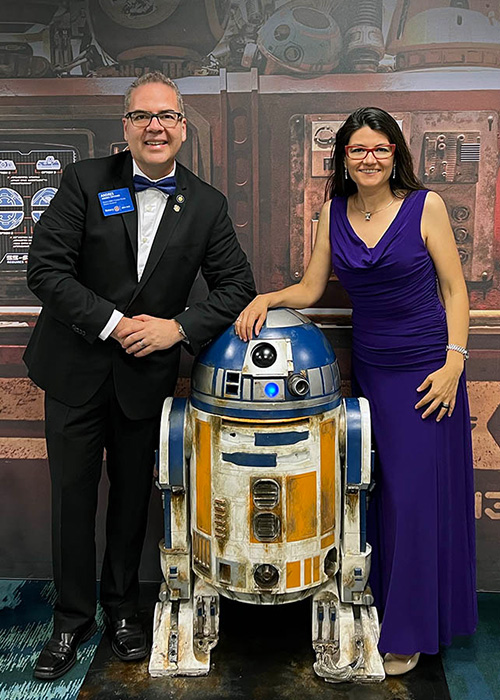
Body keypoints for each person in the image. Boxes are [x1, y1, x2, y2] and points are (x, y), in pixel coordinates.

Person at [25, 71, 256, 680]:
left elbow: (237, 287)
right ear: (125, 126)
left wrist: (175, 329)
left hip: (145, 379)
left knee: (132, 502)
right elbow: (45, 270)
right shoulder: (83, 181)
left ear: (183, 127)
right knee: (72, 501)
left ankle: (124, 609)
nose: (155, 126)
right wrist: (111, 321)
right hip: (74, 367)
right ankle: (70, 621)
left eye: (168, 117)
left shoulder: (206, 204)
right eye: (142, 116)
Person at [235, 107, 477, 676]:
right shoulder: (331, 213)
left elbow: (455, 290)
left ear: (396, 155)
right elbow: (314, 287)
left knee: (414, 502)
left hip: (426, 372)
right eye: (358, 150)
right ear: (342, 158)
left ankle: (410, 632)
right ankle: (383, 610)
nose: (369, 159)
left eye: (380, 149)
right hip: (372, 370)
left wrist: (454, 364)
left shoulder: (426, 206)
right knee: (378, 497)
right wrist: (269, 299)